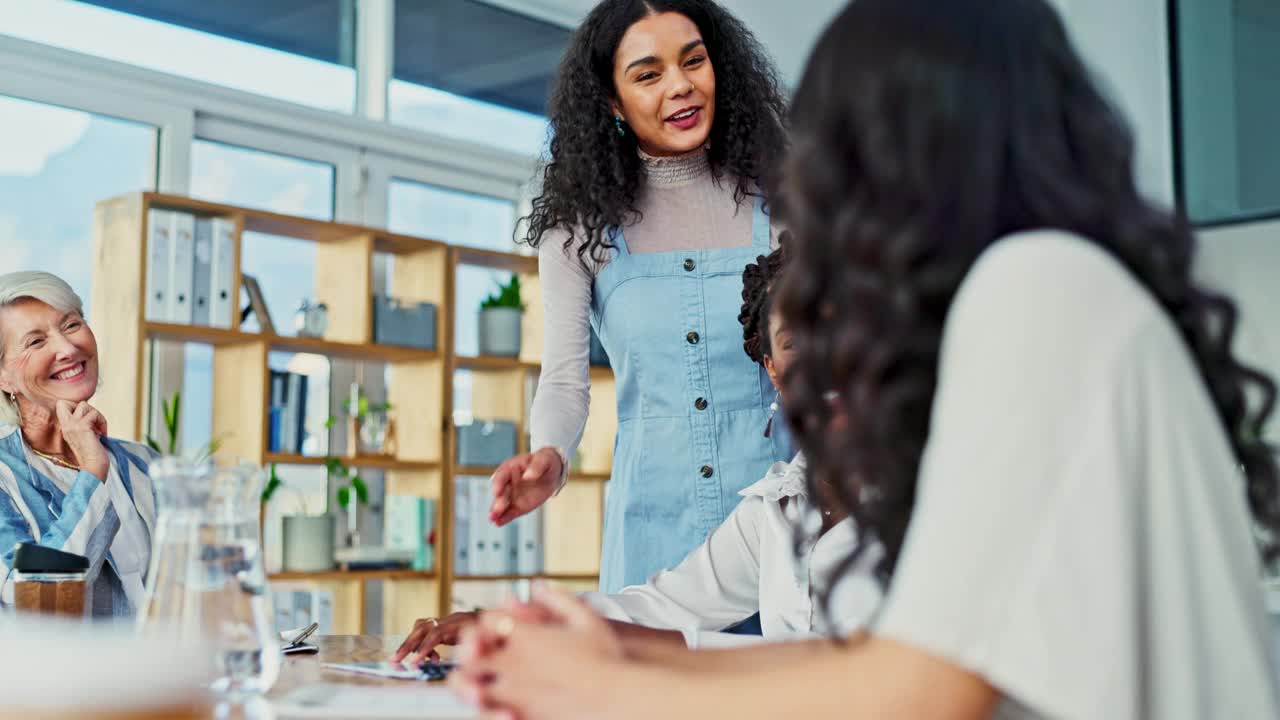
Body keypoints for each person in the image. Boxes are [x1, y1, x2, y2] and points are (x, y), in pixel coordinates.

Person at [448, 0, 1280, 717]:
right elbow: (879, 656)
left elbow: (918, 692)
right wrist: (599, 647)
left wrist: (599, 688)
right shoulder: (1057, 291)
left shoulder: (1035, 292)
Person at [394, 247, 881, 662]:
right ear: (773, 370)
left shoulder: (933, 498)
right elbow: (656, 608)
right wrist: (497, 623)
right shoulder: (773, 511)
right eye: (797, 344)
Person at [486, 0, 792, 594]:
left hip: (778, 524)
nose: (680, 86)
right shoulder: (577, 233)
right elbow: (565, 381)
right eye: (648, 75)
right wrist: (549, 453)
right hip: (652, 526)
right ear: (611, 101)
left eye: (694, 62)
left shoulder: (783, 208)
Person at [0, 271, 157, 618]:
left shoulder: (145, 464)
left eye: (71, 325)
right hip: (57, 674)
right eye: (36, 342)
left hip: (162, 670)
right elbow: (37, 603)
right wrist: (91, 472)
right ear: (4, 377)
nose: (68, 349)